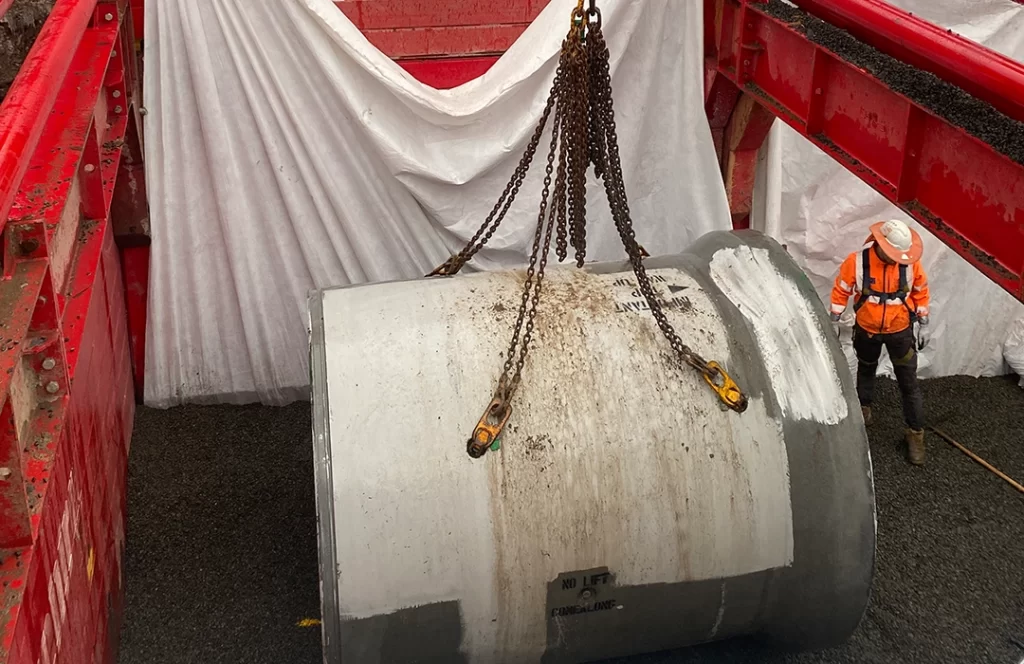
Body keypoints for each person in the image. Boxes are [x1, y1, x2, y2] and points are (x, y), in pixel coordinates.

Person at [830, 219, 931, 465]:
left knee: (909, 383)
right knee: (866, 370)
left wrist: (924, 321)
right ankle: (863, 412)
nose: (897, 259)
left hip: (900, 332)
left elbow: (920, 290)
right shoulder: (857, 263)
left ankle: (915, 433)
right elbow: (841, 290)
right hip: (867, 330)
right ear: (881, 245)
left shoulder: (910, 264)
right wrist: (834, 319)